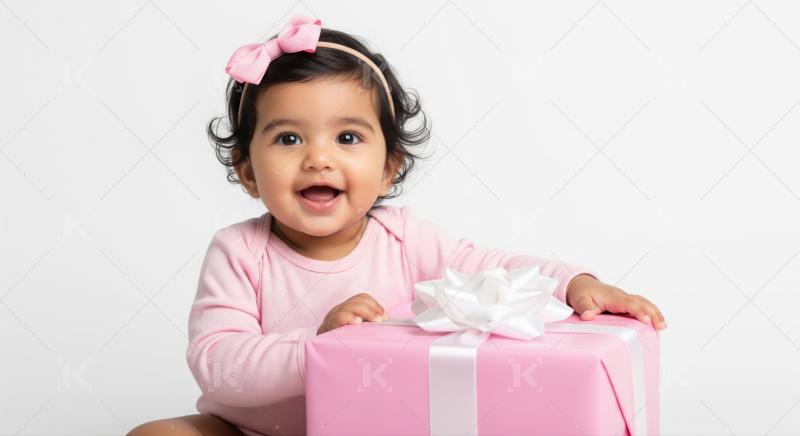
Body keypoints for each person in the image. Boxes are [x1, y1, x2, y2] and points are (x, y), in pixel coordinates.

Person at [129, 14, 666, 436]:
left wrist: (574, 283)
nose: (318, 158)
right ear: (247, 170)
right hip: (252, 430)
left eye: (347, 138)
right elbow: (218, 364)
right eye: (288, 138)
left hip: (374, 426)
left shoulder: (406, 239)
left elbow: (495, 271)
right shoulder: (239, 251)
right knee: (154, 434)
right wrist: (318, 347)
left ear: (389, 168)